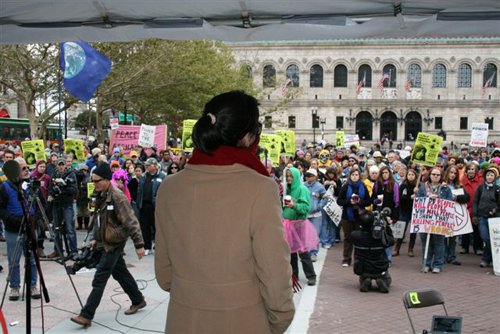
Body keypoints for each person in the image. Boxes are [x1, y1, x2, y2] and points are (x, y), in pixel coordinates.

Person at [154, 91, 295, 333]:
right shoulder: (260, 189)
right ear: (248, 136)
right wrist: (279, 319)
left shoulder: (170, 187)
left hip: (183, 319)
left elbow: (165, 276)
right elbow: (274, 272)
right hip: (242, 321)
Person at [70, 163, 146, 328]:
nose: (94, 183)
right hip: (105, 241)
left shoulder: (118, 197)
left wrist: (139, 244)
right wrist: (95, 239)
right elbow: (99, 221)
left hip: (114, 242)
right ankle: (138, 300)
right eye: (93, 180)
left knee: (100, 278)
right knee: (120, 273)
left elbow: (131, 221)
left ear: (106, 179)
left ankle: (86, 315)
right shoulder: (101, 194)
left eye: (97, 180)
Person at [0, 159, 41, 300]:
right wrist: (10, 220)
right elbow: (1, 209)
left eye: (27, 167)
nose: (26, 170)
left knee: (33, 260)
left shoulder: (31, 186)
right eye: (23, 168)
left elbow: (40, 204)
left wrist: (37, 220)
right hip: (13, 229)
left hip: (30, 227)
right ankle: (14, 287)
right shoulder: (4, 187)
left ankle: (33, 285)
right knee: (14, 260)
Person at [282, 167, 319, 286]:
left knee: (302, 252)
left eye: (291, 176)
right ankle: (294, 276)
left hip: (299, 224)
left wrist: (294, 205)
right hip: (288, 224)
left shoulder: (302, 189)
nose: (289, 178)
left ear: (296, 177)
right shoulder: (287, 189)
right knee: (291, 253)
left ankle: (311, 276)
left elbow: (305, 208)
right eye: (287, 176)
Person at [416, 167, 453, 273]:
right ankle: (426, 264)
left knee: (439, 242)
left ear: (441, 176)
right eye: (433, 174)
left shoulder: (445, 188)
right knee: (426, 242)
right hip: (425, 219)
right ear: (430, 175)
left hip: (439, 220)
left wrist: (438, 200)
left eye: (438, 175)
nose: (435, 176)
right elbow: (418, 200)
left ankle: (438, 264)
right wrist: (428, 199)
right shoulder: (423, 187)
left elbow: (449, 202)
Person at [352, 211, 394, 293]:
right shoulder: (380, 236)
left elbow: (359, 230)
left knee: (363, 276)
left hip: (363, 267)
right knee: (388, 280)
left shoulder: (355, 235)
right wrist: (387, 227)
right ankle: (382, 280)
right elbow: (391, 241)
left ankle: (366, 279)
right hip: (380, 266)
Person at [337, 169, 371, 267]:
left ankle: (358, 259)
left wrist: (360, 202)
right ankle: (346, 259)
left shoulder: (363, 187)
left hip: (360, 216)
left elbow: (368, 201)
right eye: (353, 175)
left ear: (359, 176)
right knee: (348, 238)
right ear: (350, 176)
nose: (355, 176)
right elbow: (339, 201)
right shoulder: (345, 187)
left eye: (356, 175)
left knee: (359, 238)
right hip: (347, 216)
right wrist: (349, 201)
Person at [47, 157, 78, 260]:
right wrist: (52, 193)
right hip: (56, 204)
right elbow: (50, 188)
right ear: (56, 165)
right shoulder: (54, 174)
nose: (61, 166)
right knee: (56, 229)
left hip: (67, 204)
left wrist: (63, 186)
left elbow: (74, 189)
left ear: (65, 165)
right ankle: (58, 251)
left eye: (62, 164)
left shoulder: (71, 174)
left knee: (70, 228)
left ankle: (74, 252)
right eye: (59, 165)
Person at [136, 157, 166, 255]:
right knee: (145, 227)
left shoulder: (162, 176)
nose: (147, 166)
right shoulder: (143, 176)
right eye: (146, 165)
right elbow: (139, 191)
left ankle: (158, 245)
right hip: (144, 205)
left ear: (155, 165)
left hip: (156, 206)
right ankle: (147, 246)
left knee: (157, 226)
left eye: (149, 165)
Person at [472, 167, 500, 268]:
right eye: (488, 175)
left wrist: (495, 209)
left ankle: (486, 259)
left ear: (495, 177)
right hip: (482, 217)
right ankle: (488, 258)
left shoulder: (497, 189)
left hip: (494, 218)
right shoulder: (480, 188)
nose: (489, 177)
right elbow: (475, 201)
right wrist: (475, 215)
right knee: (485, 238)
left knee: (493, 239)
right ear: (485, 176)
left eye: (492, 175)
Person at [443, 165, 470, 265]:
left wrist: (457, 198)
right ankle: (444, 256)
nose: (453, 175)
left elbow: (467, 198)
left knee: (453, 237)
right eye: (451, 172)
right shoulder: (442, 185)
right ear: (447, 173)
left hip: (455, 215)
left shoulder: (458, 186)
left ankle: (452, 257)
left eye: (455, 173)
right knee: (444, 237)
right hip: (444, 214)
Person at [461, 162, 484, 255]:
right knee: (465, 229)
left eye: (473, 169)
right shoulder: (462, 180)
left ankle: (478, 248)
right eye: (469, 169)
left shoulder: (481, 180)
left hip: (477, 208)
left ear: (476, 171)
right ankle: (464, 247)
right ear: (466, 171)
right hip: (465, 207)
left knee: (477, 230)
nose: (471, 171)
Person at [304, 168, 327, 262]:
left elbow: (325, 198)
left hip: (316, 215)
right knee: (305, 234)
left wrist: (318, 206)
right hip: (305, 214)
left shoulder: (320, 186)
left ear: (315, 177)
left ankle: (313, 253)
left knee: (315, 234)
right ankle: (306, 252)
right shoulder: (303, 185)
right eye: (307, 175)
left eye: (310, 176)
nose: (307, 177)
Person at [398, 169, 418, 257]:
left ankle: (411, 249)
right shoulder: (403, 186)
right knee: (401, 230)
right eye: (409, 174)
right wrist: (410, 197)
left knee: (413, 231)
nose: (410, 176)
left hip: (415, 211)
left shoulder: (418, 186)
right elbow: (401, 198)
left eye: (412, 175)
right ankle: (397, 248)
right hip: (404, 210)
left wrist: (417, 192)